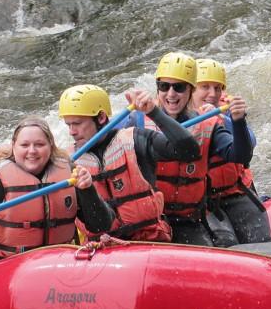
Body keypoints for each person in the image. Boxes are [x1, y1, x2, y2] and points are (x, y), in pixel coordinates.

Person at [0, 116, 112, 266]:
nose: (32, 151)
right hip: (6, 268)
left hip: (59, 266)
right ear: (14, 147)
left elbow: (101, 225)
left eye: (39, 145)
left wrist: (88, 191)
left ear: (50, 146)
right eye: (25, 145)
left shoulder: (70, 174)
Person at [138, 52, 254, 247]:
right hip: (152, 222)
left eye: (179, 87)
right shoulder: (138, 120)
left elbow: (240, 155)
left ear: (191, 90)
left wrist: (239, 121)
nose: (171, 94)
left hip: (188, 220)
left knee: (226, 247)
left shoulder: (208, 124)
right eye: (164, 86)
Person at [60, 83, 200, 243]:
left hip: (149, 242)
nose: (71, 131)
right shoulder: (68, 163)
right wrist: (86, 190)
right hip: (103, 250)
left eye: (77, 123)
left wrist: (153, 111)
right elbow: (97, 225)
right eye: (68, 125)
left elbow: (189, 151)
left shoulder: (135, 140)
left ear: (101, 117)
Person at [191, 58, 271, 245]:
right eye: (205, 87)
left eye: (218, 88)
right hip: (203, 201)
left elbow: (249, 142)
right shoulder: (178, 114)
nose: (212, 94)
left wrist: (221, 118)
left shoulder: (227, 109)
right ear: (191, 89)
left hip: (235, 191)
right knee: (225, 243)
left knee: (260, 239)